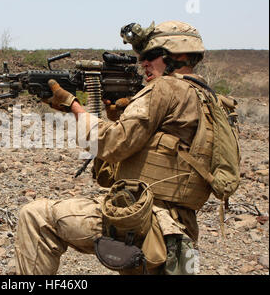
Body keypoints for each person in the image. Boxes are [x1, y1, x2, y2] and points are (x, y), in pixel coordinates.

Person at [15, 21, 218, 275]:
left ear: (179, 55)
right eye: (141, 57)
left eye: (152, 56)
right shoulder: (210, 99)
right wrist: (122, 115)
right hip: (180, 226)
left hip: (143, 219)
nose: (143, 63)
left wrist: (74, 106)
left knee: (36, 217)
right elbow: (162, 150)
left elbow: (111, 144)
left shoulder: (165, 88)